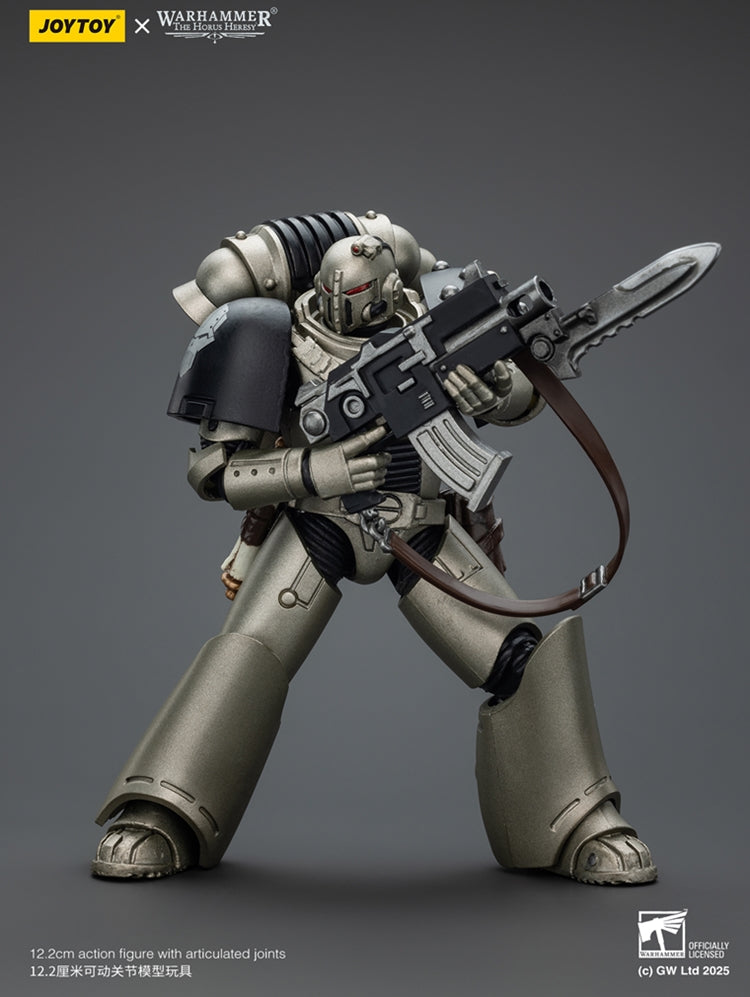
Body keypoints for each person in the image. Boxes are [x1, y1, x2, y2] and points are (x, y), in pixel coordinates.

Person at [93, 210, 655, 884]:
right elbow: (214, 472)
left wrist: (491, 390)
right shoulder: (272, 336)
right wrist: (311, 470)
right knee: (244, 657)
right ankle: (165, 808)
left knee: (522, 659)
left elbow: (524, 396)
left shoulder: (441, 314)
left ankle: (574, 816)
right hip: (319, 522)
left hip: (422, 523)